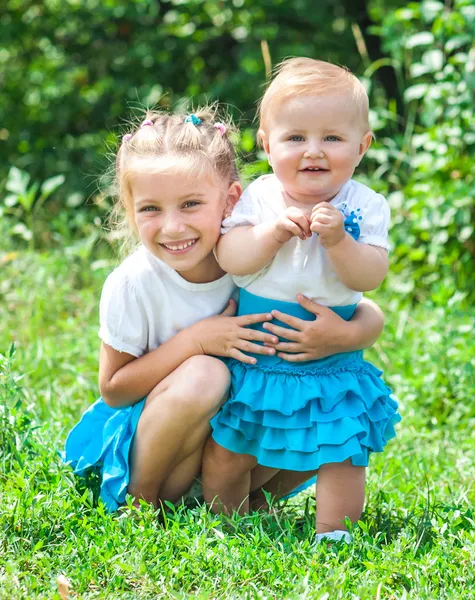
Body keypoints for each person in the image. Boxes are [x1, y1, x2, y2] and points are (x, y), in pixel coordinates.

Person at [64, 106, 386, 513]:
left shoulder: (255, 254)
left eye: (191, 204)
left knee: (322, 403)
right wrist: (197, 342)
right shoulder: (134, 283)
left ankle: (239, 504)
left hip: (231, 450)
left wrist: (350, 334)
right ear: (128, 208)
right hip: (159, 450)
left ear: (232, 199)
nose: (173, 227)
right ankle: (140, 505)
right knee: (206, 374)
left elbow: (359, 306)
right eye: (150, 209)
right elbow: (113, 389)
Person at [203, 58, 401, 543]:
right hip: (258, 348)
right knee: (232, 444)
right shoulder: (260, 198)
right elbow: (231, 257)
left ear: (362, 146)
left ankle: (335, 534)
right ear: (267, 145)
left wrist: (340, 244)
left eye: (332, 138)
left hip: (332, 356)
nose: (313, 151)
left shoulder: (365, 204)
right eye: (295, 138)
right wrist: (268, 235)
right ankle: (226, 524)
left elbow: (370, 275)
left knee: (343, 448)